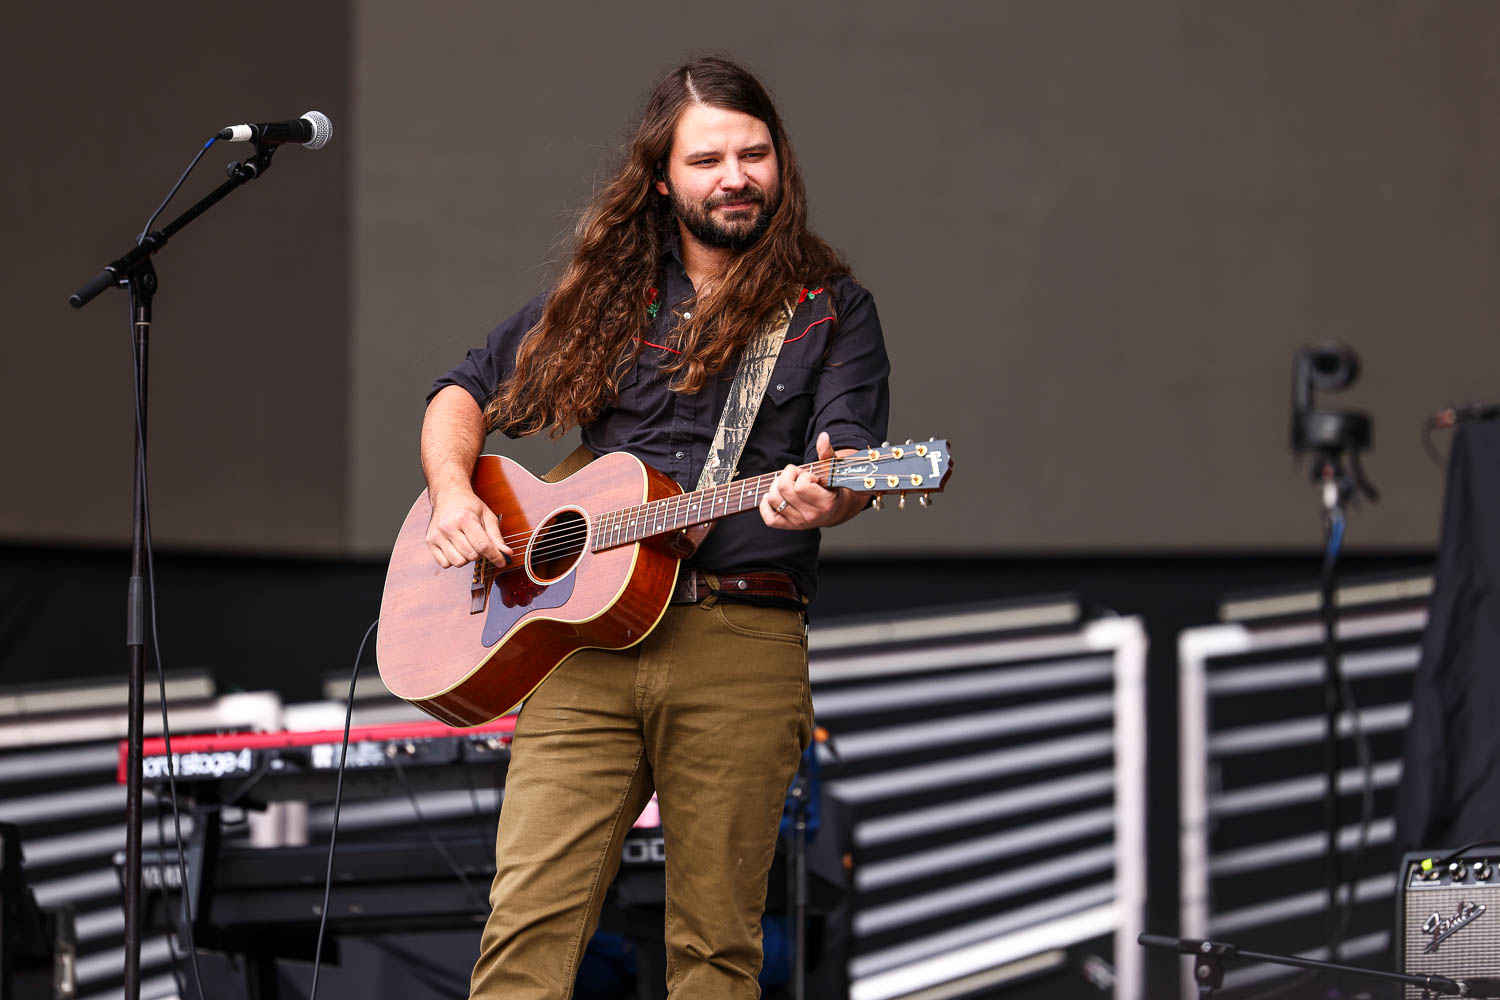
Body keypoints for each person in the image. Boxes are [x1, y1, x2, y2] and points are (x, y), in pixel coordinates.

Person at [420, 56, 889, 999]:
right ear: (663, 178)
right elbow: (460, 392)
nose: (734, 177)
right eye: (708, 158)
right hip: (579, 643)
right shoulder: (607, 295)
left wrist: (830, 495)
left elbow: (849, 469)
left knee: (715, 950)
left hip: (738, 634)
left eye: (754, 154)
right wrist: (453, 496)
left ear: (779, 166)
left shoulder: (830, 309)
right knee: (523, 933)